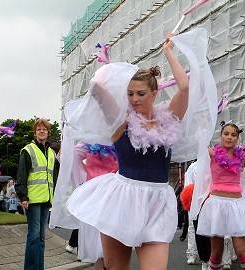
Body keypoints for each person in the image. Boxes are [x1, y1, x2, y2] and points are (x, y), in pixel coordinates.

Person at [57, 28, 218, 270]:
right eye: (129, 93)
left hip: (157, 200)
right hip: (122, 200)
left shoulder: (170, 118)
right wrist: (112, 69)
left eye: (141, 93)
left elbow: (185, 88)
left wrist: (168, 52)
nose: (134, 99)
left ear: (155, 93)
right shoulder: (120, 121)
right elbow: (98, 89)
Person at [196, 123, 245, 270]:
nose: (229, 137)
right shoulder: (212, 153)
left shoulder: (242, 156)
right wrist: (201, 127)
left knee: (241, 250)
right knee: (217, 253)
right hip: (216, 204)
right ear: (221, 136)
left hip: (236, 205)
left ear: (237, 138)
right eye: (226, 134)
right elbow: (196, 148)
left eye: (233, 135)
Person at [16, 118, 59, 270]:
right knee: (33, 236)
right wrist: (23, 196)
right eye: (39, 129)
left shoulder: (52, 153)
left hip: (46, 200)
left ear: (48, 133)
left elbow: (55, 175)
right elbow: (21, 175)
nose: (42, 131)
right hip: (32, 200)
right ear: (35, 133)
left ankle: (39, 267)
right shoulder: (28, 150)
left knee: (41, 237)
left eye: (44, 129)